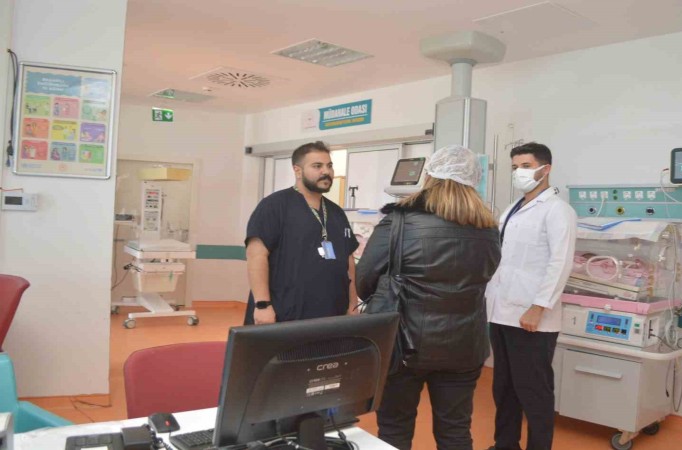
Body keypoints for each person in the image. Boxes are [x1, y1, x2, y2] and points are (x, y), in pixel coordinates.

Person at [357, 145, 501, 450]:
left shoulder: (399, 222)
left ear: (429, 176)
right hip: (465, 344)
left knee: (395, 429)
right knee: (456, 431)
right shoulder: (488, 228)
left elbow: (365, 280)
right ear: (474, 180)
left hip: (403, 344)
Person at [484, 142, 577, 450]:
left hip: (532, 318)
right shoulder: (513, 208)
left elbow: (560, 262)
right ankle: (505, 445)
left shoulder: (558, 211)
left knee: (534, 391)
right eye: (515, 168)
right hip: (502, 312)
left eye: (525, 166)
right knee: (504, 388)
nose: (518, 173)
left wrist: (538, 307)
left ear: (545, 169)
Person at [243, 141, 359, 325]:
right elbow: (256, 256)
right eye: (317, 166)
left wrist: (353, 304)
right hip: (285, 312)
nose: (326, 171)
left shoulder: (336, 212)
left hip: (332, 313)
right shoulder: (274, 206)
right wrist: (262, 305)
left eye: (329, 166)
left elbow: (348, 261)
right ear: (297, 170)